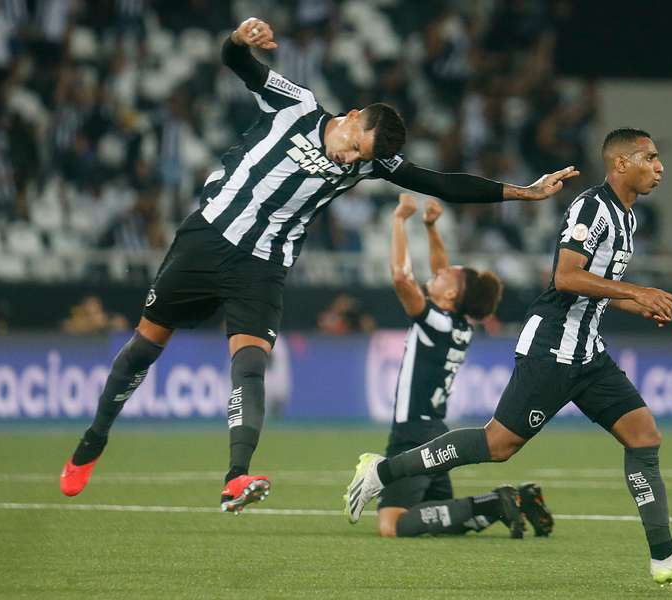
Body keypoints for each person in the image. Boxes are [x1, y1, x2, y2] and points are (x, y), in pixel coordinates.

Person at [59, 16, 578, 514]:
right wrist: (239, 40)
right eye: (354, 147)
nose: (351, 160)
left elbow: (441, 182)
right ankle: (93, 438)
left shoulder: (372, 160)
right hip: (207, 239)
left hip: (262, 266)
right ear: (351, 117)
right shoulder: (297, 105)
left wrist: (523, 192)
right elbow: (236, 62)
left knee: (251, 362)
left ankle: (236, 476)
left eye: (361, 158)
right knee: (144, 348)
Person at [345, 129, 672, 584]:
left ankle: (664, 555)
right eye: (651, 158)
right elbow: (566, 278)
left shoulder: (628, 218)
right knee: (497, 446)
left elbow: (597, 291)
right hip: (553, 347)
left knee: (644, 435)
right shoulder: (592, 208)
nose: (660, 167)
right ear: (621, 164)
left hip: (588, 354)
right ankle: (383, 472)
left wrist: (636, 303)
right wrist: (637, 289)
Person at [371, 193, 553, 539]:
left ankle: (498, 502)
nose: (438, 272)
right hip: (437, 432)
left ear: (451, 296)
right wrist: (431, 227)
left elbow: (400, 278)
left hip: (412, 434)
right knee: (440, 519)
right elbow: (443, 270)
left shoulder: (437, 322)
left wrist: (399, 221)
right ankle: (504, 501)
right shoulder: (461, 326)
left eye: (446, 277)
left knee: (392, 525)